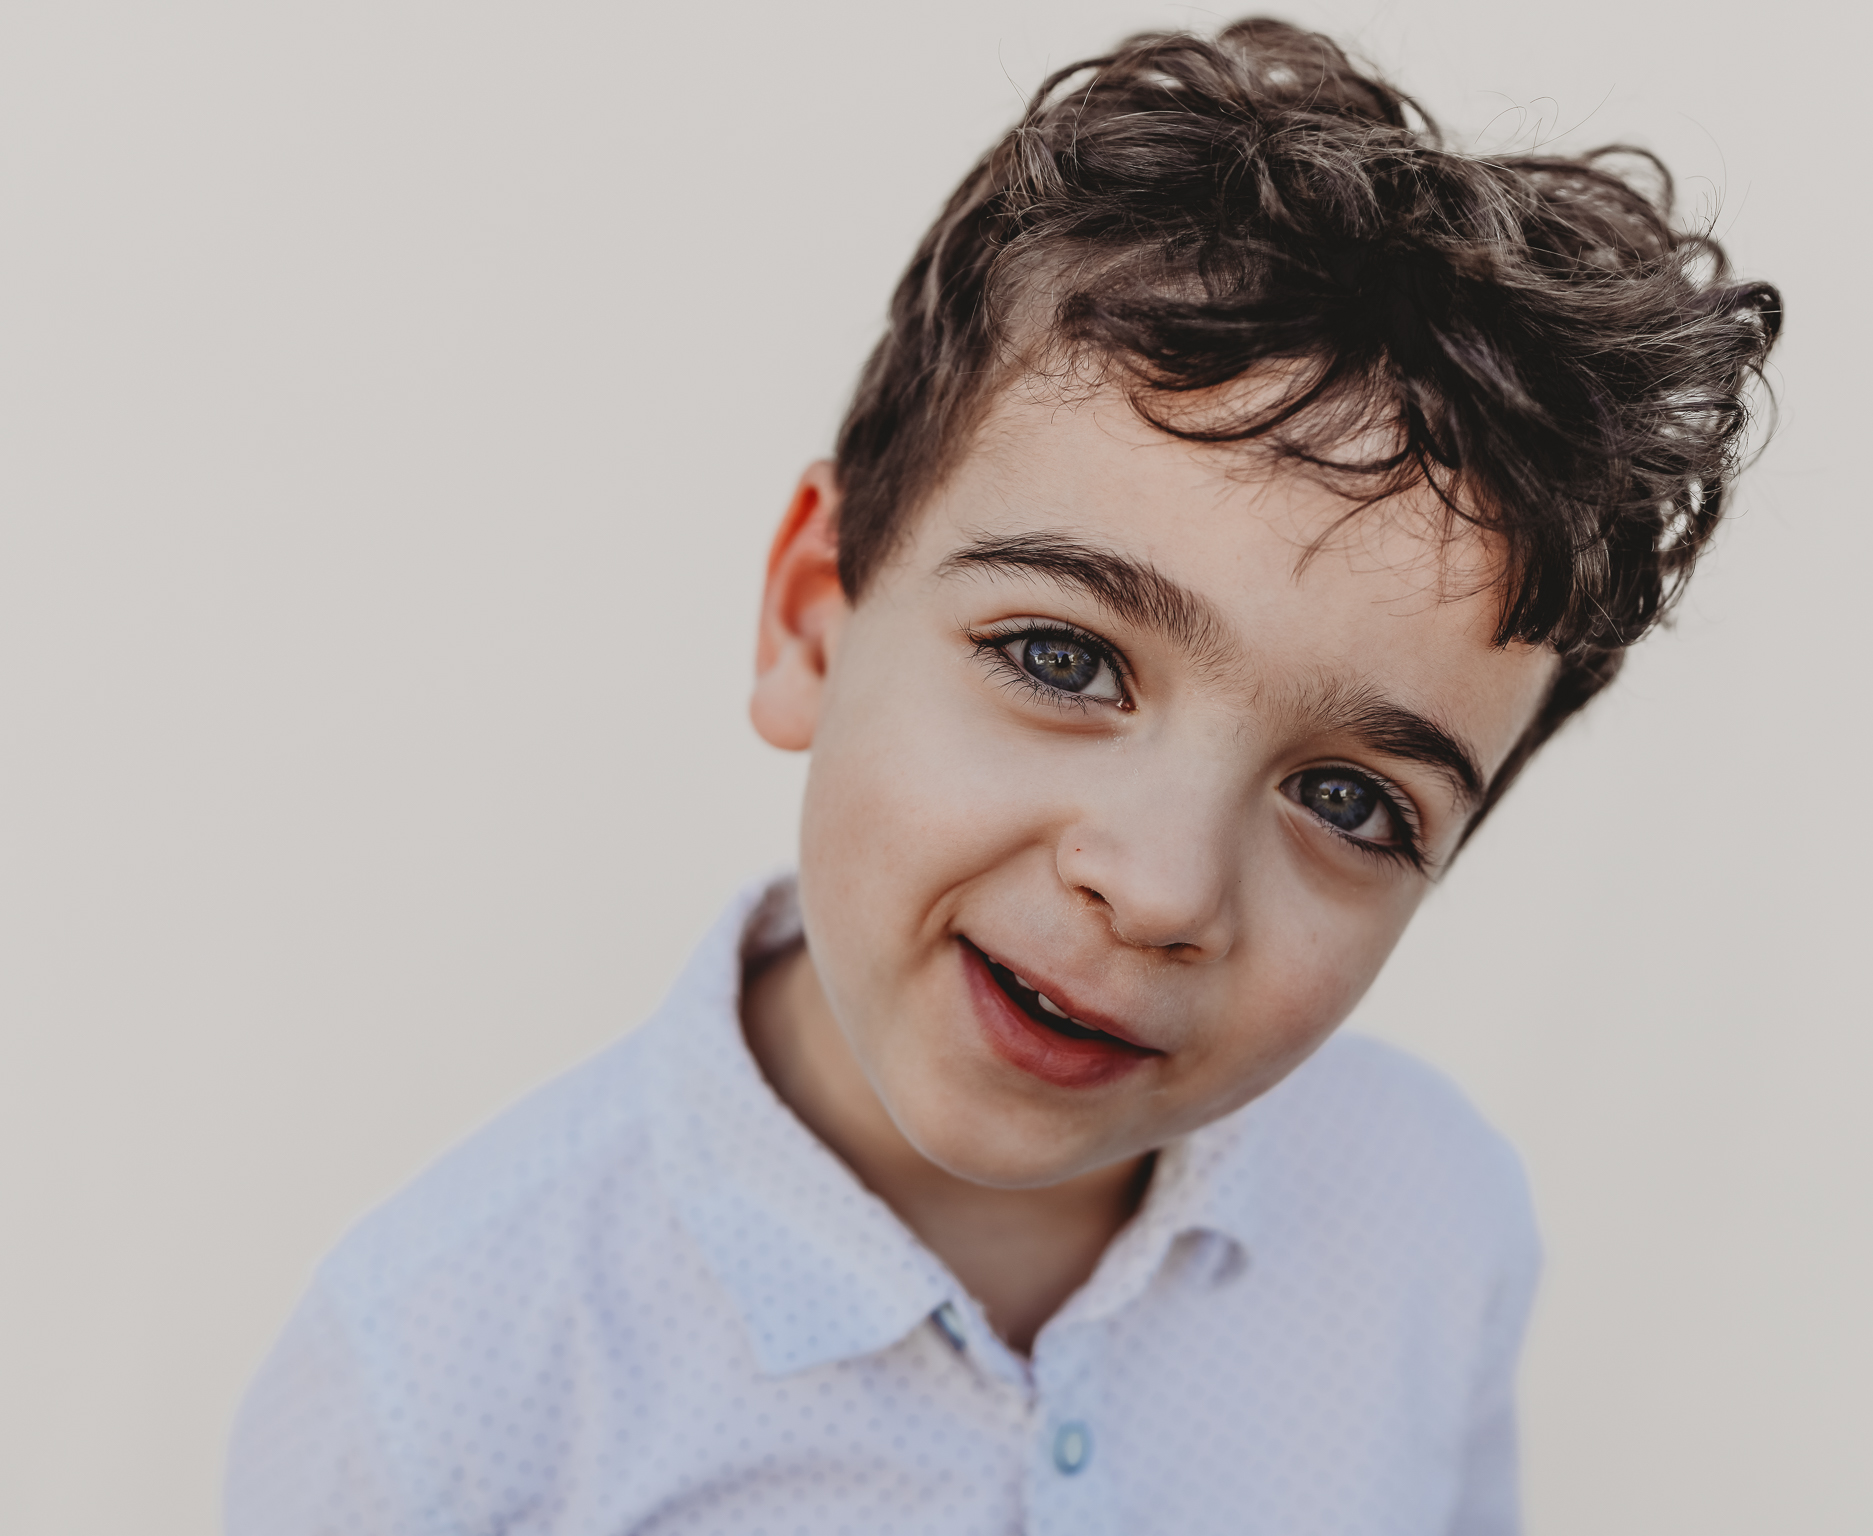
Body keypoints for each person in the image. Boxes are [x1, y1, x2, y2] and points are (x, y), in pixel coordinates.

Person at [226, 18, 1780, 1534]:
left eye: (1353, 803)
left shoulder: (1434, 1222)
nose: (1163, 887)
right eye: (1062, 658)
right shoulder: (435, 1382)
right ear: (811, 621)